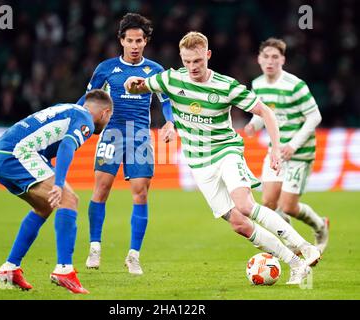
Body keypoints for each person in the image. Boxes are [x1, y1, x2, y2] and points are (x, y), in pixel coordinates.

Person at [124, 31, 321, 284]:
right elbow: (140, 86)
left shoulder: (226, 86)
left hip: (226, 151)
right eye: (187, 61)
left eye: (197, 61)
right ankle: (295, 264)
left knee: (245, 205)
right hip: (198, 163)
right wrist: (131, 83)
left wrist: (275, 149)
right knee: (239, 224)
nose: (192, 67)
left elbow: (266, 112)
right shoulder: (171, 79)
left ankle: (305, 247)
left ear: (207, 55)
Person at [0, 89, 113, 294]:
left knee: (43, 206)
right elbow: (66, 147)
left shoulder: (67, 108)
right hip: (17, 154)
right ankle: (64, 269)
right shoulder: (85, 120)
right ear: (105, 113)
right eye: (109, 118)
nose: (107, 122)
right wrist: (59, 182)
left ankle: (10, 268)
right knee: (68, 199)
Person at [76, 13, 175, 275]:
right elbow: (88, 99)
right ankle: (94, 247)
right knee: (102, 189)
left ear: (146, 42)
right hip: (112, 133)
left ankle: (133, 255)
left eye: (139, 41)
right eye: (129, 40)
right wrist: (71, 117)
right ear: (121, 41)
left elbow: (166, 101)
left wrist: (170, 122)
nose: (134, 45)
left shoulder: (154, 70)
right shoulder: (106, 69)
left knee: (141, 192)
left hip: (140, 135)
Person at [244, 38, 329, 254]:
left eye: (275, 57)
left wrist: (293, 145)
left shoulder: (295, 86)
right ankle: (295, 245)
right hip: (276, 152)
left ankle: (320, 226)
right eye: (266, 56)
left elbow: (314, 117)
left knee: (289, 206)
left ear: (283, 59)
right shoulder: (258, 84)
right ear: (259, 59)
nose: (270, 61)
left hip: (300, 153)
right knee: (269, 203)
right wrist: (253, 125)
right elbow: (264, 115)